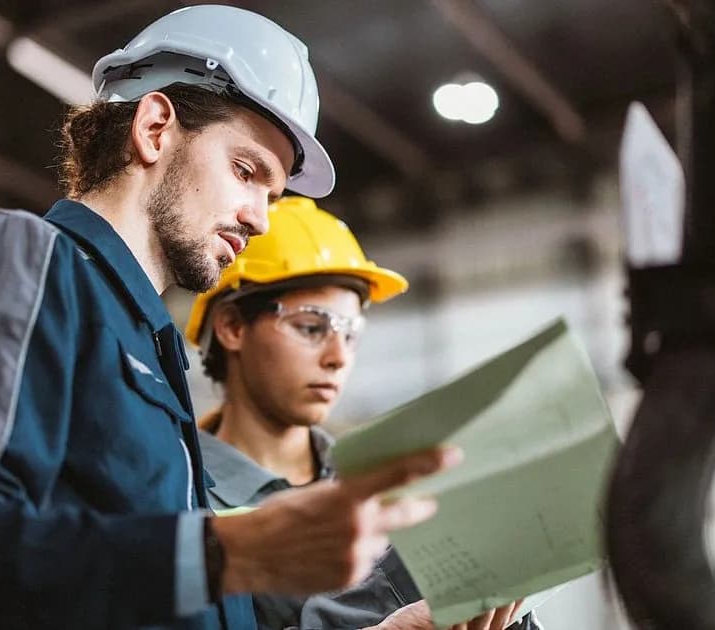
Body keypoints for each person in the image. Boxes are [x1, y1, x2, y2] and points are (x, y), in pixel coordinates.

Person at [0, 6, 458, 630]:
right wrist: (237, 551)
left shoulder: (153, 348)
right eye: (246, 170)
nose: (260, 217)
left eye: (273, 194)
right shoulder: (25, 259)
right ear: (154, 128)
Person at [184, 197, 536, 630]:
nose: (338, 357)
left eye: (351, 334)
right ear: (233, 327)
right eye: (312, 327)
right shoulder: (179, 500)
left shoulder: (388, 482)